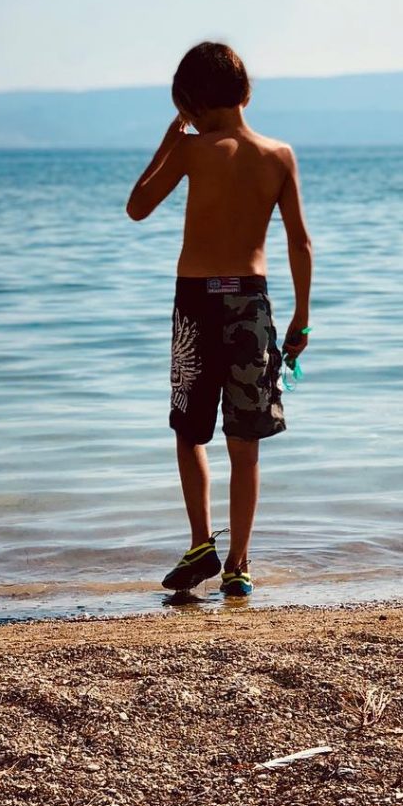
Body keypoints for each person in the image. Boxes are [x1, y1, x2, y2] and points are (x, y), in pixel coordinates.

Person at [125, 41, 313, 598]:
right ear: (246, 92)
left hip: (195, 302)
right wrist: (301, 319)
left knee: (190, 432)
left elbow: (137, 207)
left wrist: (169, 142)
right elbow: (299, 242)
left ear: (190, 104)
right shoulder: (278, 155)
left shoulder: (190, 151)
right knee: (245, 439)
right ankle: (239, 563)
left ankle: (201, 541)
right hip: (250, 304)